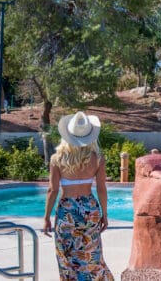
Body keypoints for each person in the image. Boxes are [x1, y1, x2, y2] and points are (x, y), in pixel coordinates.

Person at [42, 111, 114, 280]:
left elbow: (52, 190)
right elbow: (101, 188)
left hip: (67, 211)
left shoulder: (56, 159)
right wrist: (104, 214)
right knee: (91, 255)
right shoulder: (97, 158)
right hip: (90, 209)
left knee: (66, 256)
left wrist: (46, 217)